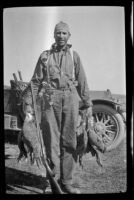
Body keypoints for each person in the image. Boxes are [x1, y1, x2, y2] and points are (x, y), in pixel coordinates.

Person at [31, 21, 93, 194]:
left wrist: (87, 104)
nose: (61, 36)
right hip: (50, 99)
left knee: (69, 141)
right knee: (51, 141)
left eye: (64, 33)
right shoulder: (45, 56)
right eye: (58, 33)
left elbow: (82, 81)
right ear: (53, 35)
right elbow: (35, 82)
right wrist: (32, 106)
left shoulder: (74, 56)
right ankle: (51, 182)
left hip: (70, 98)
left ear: (69, 36)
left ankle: (66, 182)